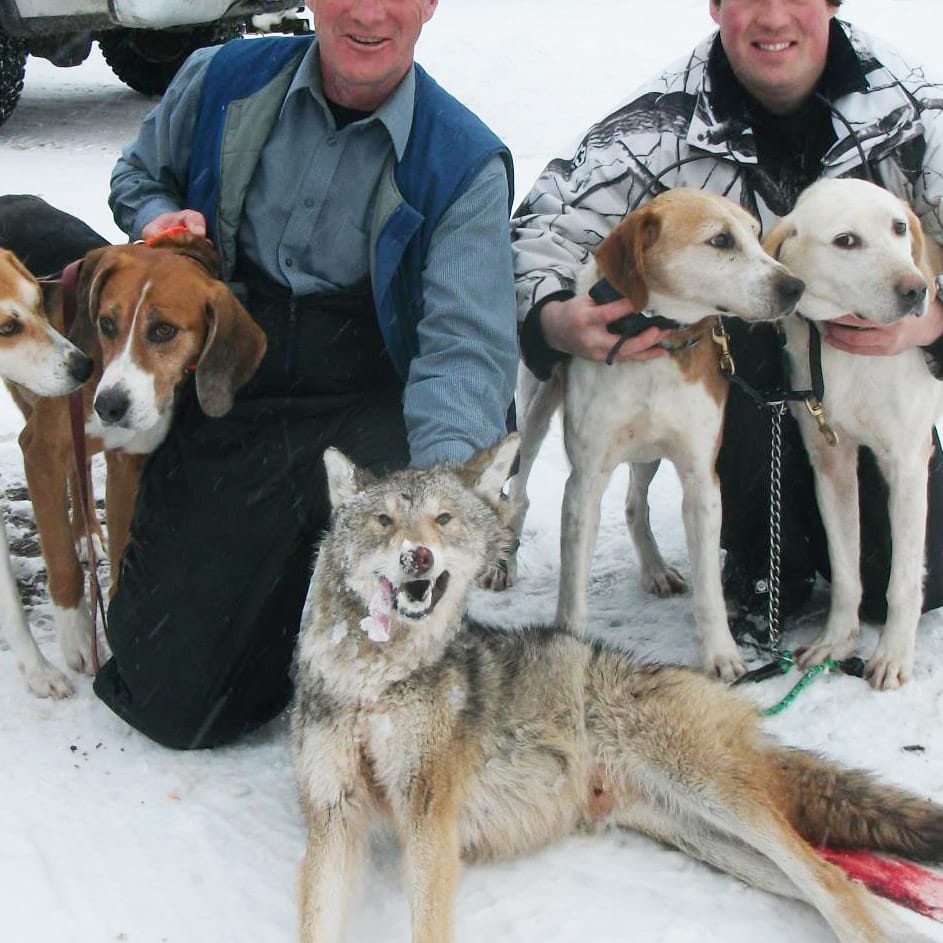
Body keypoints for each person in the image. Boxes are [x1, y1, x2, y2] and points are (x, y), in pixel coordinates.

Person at [80, 0, 518, 748]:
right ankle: (274, 587)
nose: (371, 13)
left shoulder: (464, 159)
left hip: (370, 394)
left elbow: (463, 348)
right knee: (171, 701)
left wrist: (441, 498)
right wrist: (160, 218)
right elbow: (139, 174)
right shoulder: (220, 79)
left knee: (391, 691)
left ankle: (310, 580)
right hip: (233, 375)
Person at [511, 0, 943, 641]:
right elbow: (545, 223)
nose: (773, 17)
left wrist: (934, 325)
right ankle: (765, 554)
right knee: (738, 324)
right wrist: (553, 319)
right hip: (754, 381)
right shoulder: (659, 123)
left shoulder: (912, 110)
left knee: (909, 588)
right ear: (716, 7)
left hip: (873, 378)